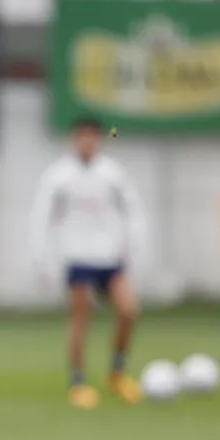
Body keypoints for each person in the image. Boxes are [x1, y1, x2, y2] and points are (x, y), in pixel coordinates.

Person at [27, 116, 147, 410]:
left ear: (99, 139)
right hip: (78, 256)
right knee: (81, 318)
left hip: (110, 256)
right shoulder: (58, 175)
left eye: (92, 136)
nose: (87, 142)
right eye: (82, 136)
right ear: (73, 139)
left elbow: (133, 210)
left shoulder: (112, 173)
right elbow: (41, 218)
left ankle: (116, 373)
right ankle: (78, 382)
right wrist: (42, 262)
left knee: (128, 311)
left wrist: (132, 247)